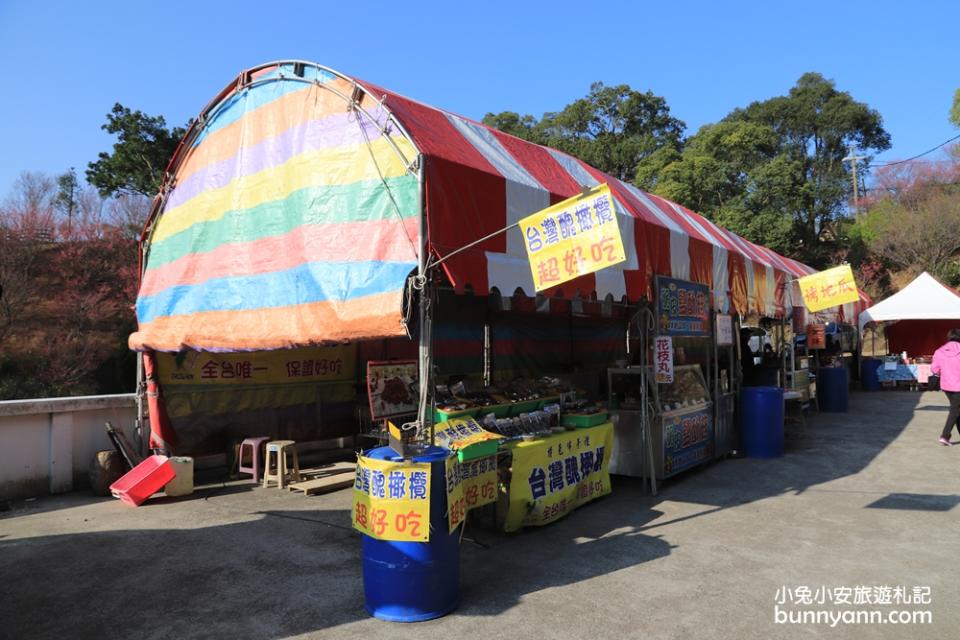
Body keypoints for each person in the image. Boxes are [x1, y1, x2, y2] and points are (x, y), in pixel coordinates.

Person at [930, 328, 960, 446]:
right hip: (959, 386)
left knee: (957, 409)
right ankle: (945, 435)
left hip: (946, 386)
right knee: (955, 410)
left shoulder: (939, 351)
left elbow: (934, 369)